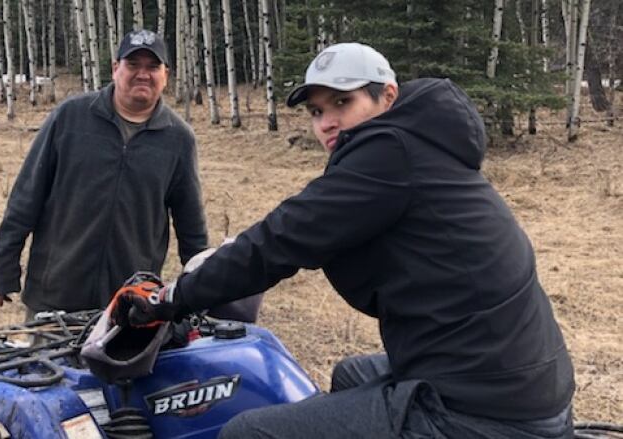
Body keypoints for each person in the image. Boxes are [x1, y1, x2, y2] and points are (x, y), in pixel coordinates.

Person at [111, 43, 575, 438]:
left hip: (484, 408)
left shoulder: (390, 153)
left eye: (342, 103)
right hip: (511, 375)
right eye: (316, 111)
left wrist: (172, 297)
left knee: (246, 432)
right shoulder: (420, 146)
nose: (327, 123)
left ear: (387, 96)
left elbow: (281, 240)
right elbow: (298, 232)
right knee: (351, 373)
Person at [0, 29, 208, 318]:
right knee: (44, 365)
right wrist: (5, 269)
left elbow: (191, 225)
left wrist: (202, 289)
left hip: (130, 304)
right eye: (133, 65)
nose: (142, 74)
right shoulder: (70, 117)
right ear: (115, 68)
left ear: (166, 74)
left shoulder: (179, 139)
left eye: (152, 67)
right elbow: (25, 198)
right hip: (55, 293)